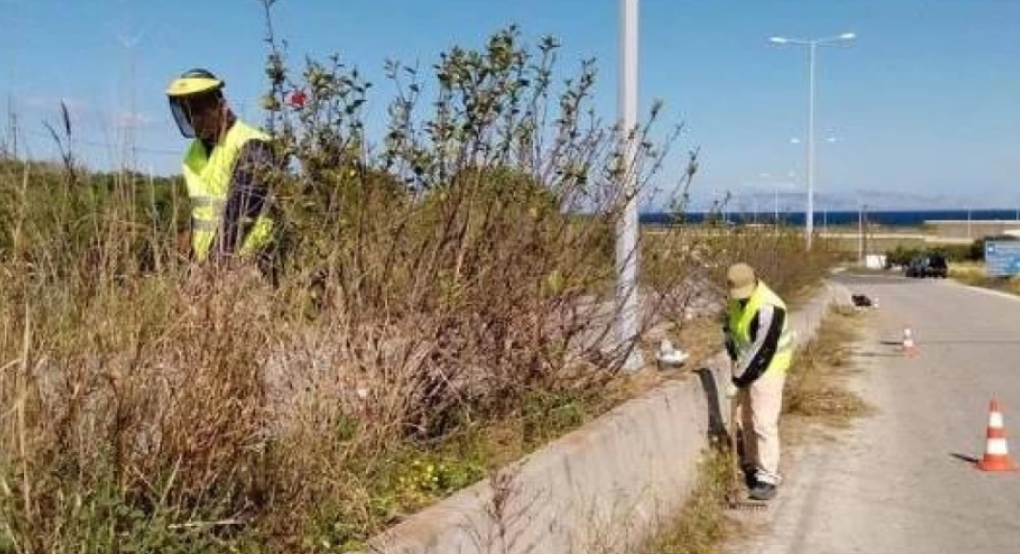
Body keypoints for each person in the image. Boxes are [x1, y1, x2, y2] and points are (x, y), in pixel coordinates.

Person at [165, 68, 276, 267]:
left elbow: (242, 210)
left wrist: (214, 263)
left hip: (249, 263)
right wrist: (189, 235)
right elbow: (205, 206)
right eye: (187, 111)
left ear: (221, 105)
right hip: (208, 264)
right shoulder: (195, 151)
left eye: (199, 109)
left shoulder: (252, 144)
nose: (194, 118)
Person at [723, 263, 795, 501]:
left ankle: (768, 476)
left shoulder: (770, 306)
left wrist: (738, 379)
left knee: (763, 422)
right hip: (746, 365)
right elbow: (732, 327)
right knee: (744, 419)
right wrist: (730, 345)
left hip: (769, 369)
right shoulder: (736, 301)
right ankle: (752, 464)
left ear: (755, 281)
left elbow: (762, 350)